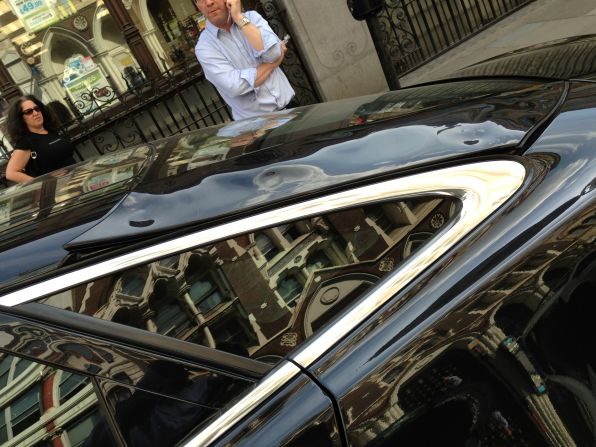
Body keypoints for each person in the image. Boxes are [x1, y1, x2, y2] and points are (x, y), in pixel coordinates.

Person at [194, 0, 295, 120]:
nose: (209, 2)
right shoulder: (204, 47)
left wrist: (238, 17)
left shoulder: (252, 18)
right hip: (258, 126)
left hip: (292, 109)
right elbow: (234, 86)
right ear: (197, 6)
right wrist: (272, 65)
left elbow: (273, 54)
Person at [5, 95, 76, 183]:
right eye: (29, 112)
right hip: (57, 190)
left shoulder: (51, 131)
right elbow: (11, 173)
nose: (35, 113)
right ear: (21, 118)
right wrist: (43, 182)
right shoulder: (25, 142)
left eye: (37, 108)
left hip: (75, 179)